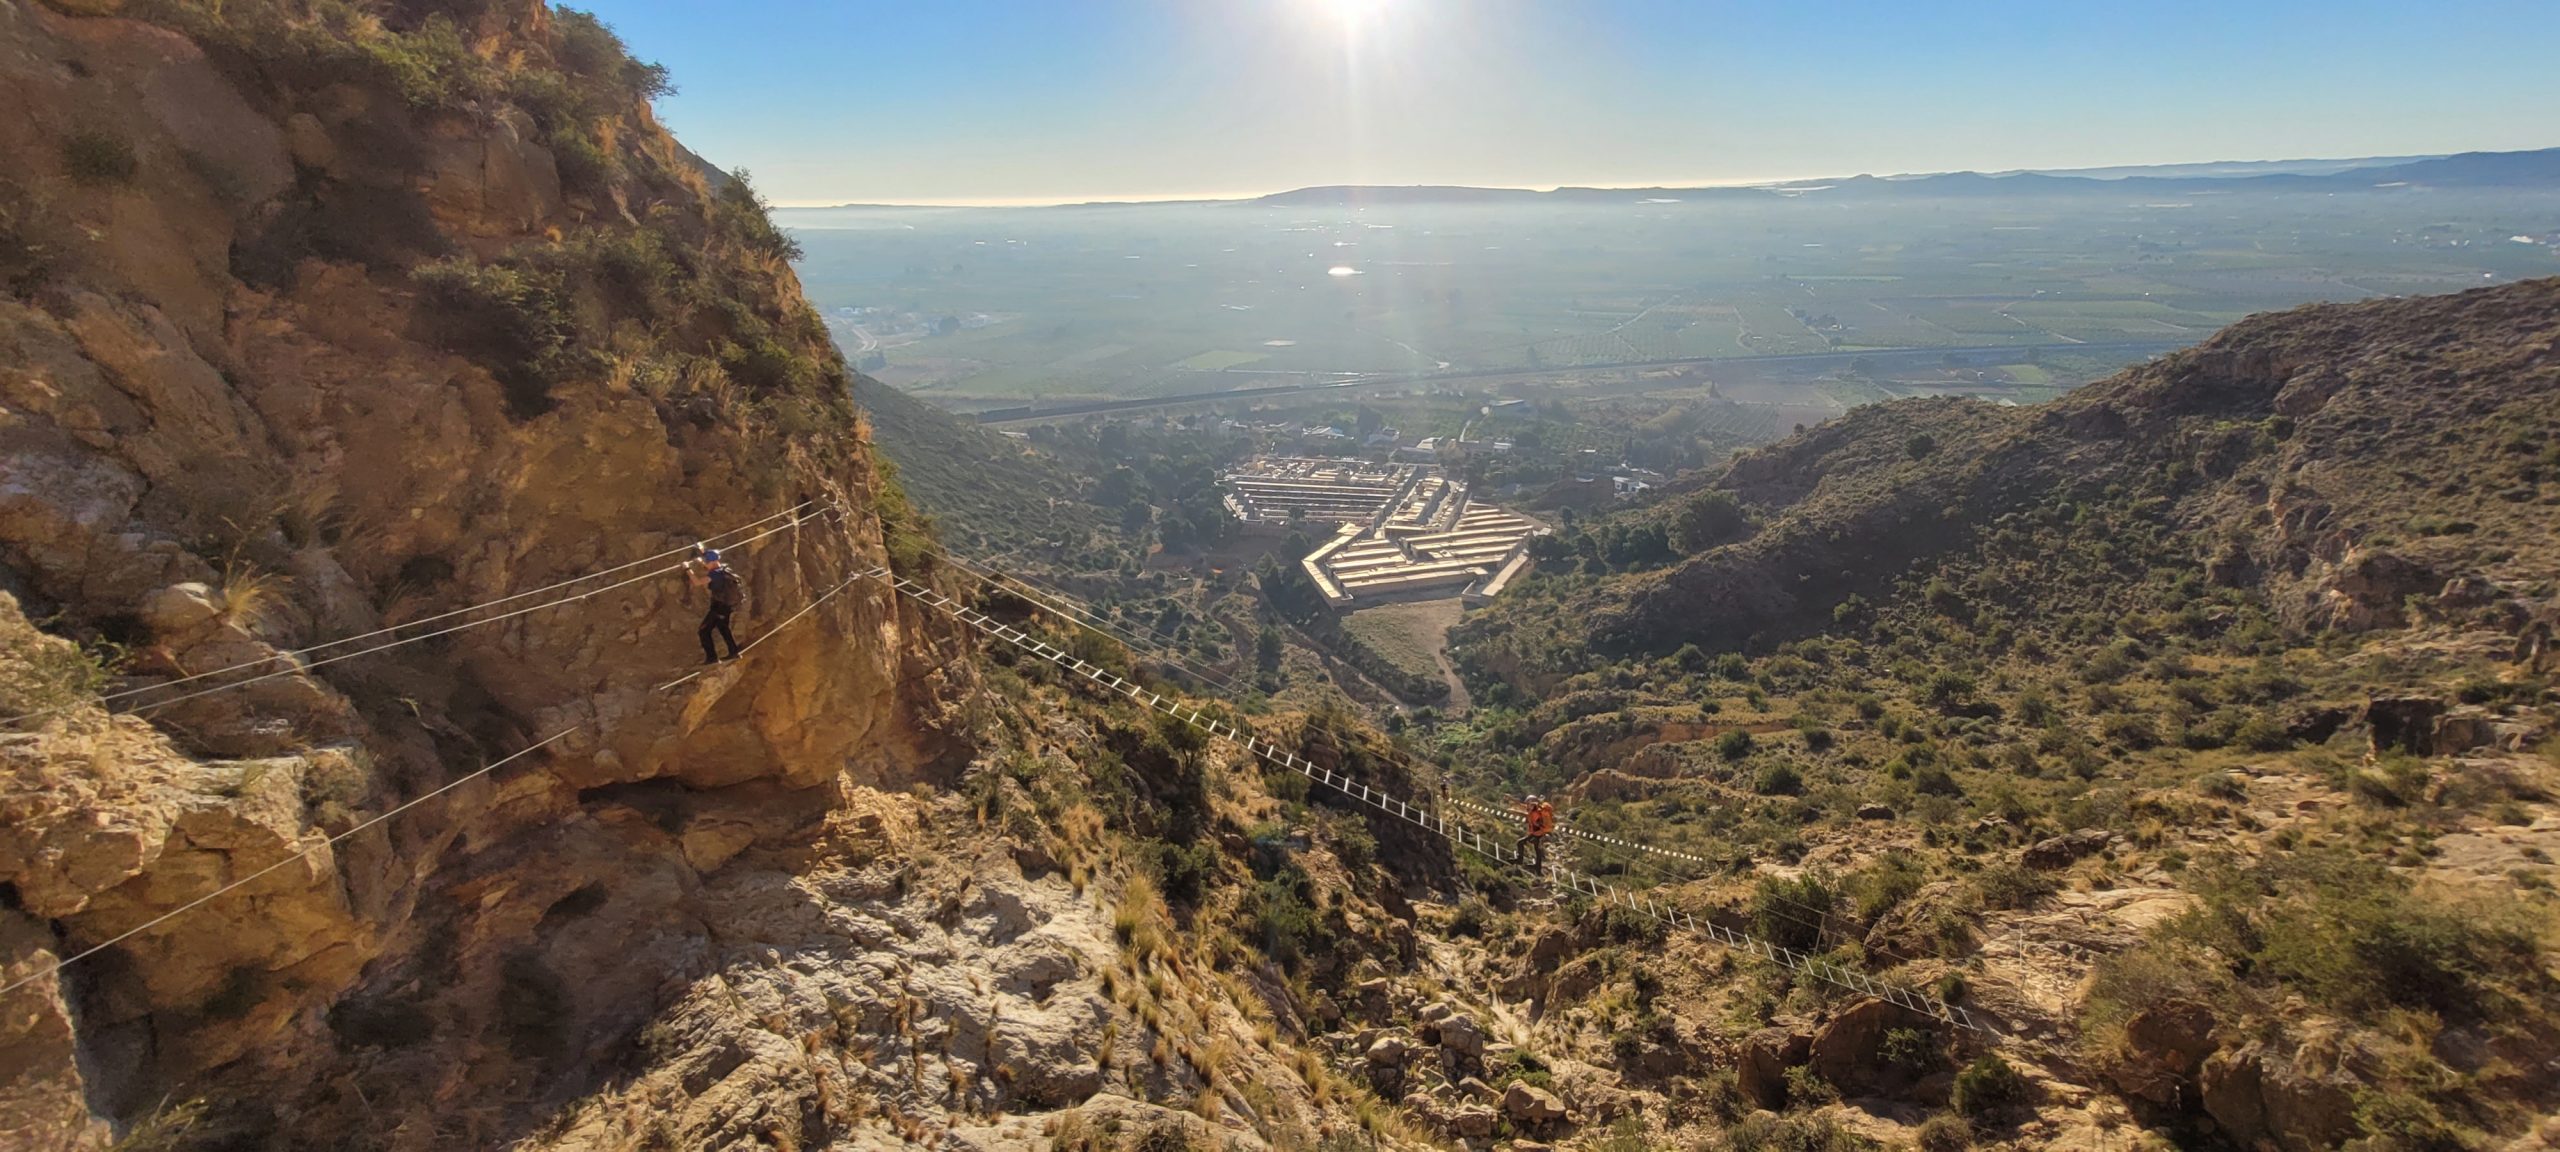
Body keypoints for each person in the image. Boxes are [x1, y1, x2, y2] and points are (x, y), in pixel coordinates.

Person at [688, 547, 745, 664]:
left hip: (718, 608)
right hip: (726, 607)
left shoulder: (714, 574)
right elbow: (710, 559)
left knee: (703, 630)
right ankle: (734, 652)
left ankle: (712, 658)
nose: (705, 565)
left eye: (706, 562)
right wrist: (702, 550)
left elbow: (697, 582)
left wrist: (687, 569)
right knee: (724, 629)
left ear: (712, 562)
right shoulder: (724, 569)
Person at [1515, 793, 1555, 871]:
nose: (1527, 806)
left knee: (1520, 843)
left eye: (1528, 804)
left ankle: (1520, 860)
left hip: (1539, 833)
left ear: (1532, 803)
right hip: (1539, 833)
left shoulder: (1536, 813)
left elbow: (1538, 824)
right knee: (1537, 849)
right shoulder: (1536, 811)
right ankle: (1537, 866)